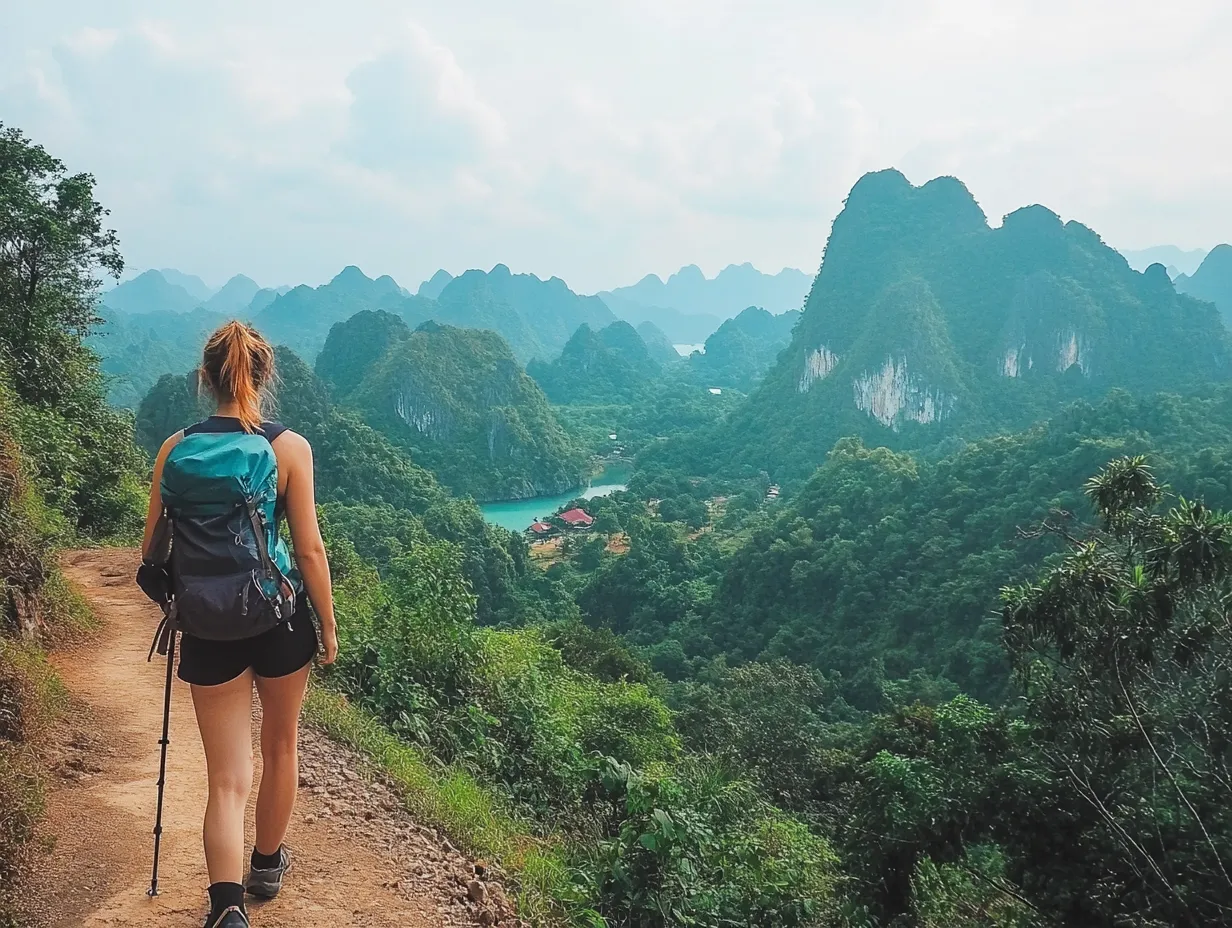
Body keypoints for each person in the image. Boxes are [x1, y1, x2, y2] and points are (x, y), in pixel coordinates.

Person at [141, 321, 339, 928]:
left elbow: (152, 552)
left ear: (206, 377)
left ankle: (226, 907)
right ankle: (267, 864)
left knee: (226, 777)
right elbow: (308, 551)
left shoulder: (175, 449)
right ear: (264, 376)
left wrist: (195, 602)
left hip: (207, 628)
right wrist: (327, 628)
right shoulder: (289, 448)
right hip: (279, 622)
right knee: (280, 746)